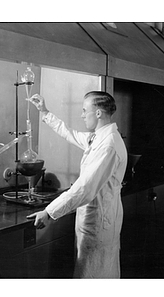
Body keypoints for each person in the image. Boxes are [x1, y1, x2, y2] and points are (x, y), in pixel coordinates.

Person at [26, 91, 127, 278]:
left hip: (99, 222)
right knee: (96, 272)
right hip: (97, 218)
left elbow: (84, 189)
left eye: (84, 110)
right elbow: (69, 133)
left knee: (93, 275)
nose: (82, 115)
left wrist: (49, 212)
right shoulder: (99, 137)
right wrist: (45, 111)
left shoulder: (108, 145)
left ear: (98, 113)